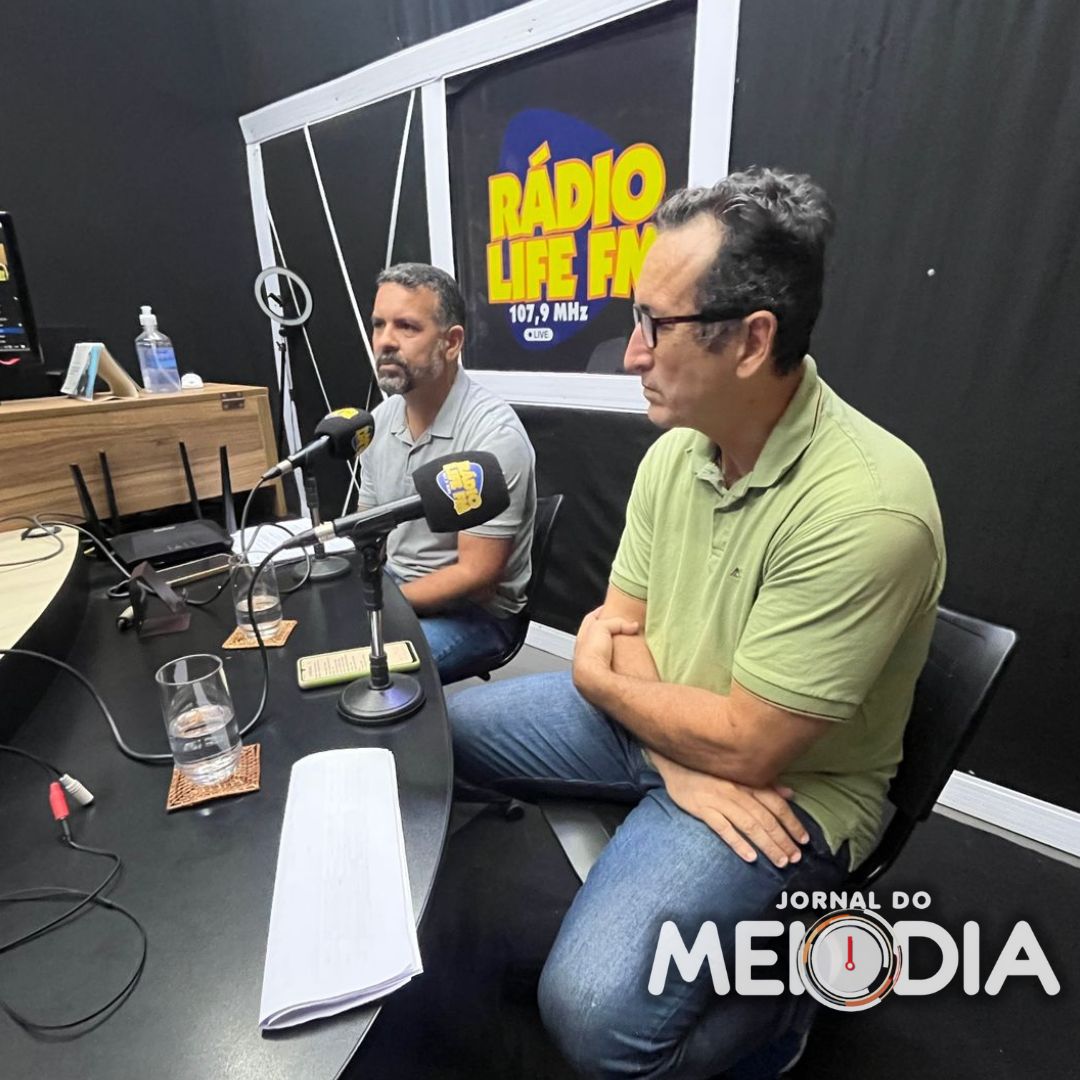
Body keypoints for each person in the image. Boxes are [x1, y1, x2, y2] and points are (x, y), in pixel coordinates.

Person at [448, 168, 945, 1077]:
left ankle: (782, 1006)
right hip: (671, 729)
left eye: (655, 325)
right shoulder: (677, 453)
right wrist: (674, 758)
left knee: (590, 1020)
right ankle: (659, 811)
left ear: (753, 340)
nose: (630, 354)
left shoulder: (868, 507)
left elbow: (749, 746)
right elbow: (617, 621)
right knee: (433, 737)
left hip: (785, 796)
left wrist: (602, 678)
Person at [357, 263, 536, 685]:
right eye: (379, 324)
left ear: (451, 342)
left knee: (358, 672)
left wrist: (377, 606)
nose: (385, 341)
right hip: (399, 585)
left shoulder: (492, 436)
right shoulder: (378, 422)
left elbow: (477, 578)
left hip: (475, 614)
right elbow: (366, 531)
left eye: (406, 327)